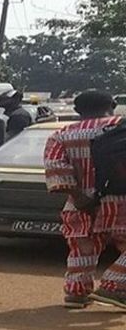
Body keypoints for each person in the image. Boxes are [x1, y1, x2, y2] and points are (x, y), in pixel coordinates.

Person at [43, 90, 126, 309]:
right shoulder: (121, 126)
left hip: (80, 203)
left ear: (77, 110)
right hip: (121, 201)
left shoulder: (62, 135)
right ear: (113, 104)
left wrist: (79, 197)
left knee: (82, 249)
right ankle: (114, 285)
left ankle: (76, 293)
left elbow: (55, 168)